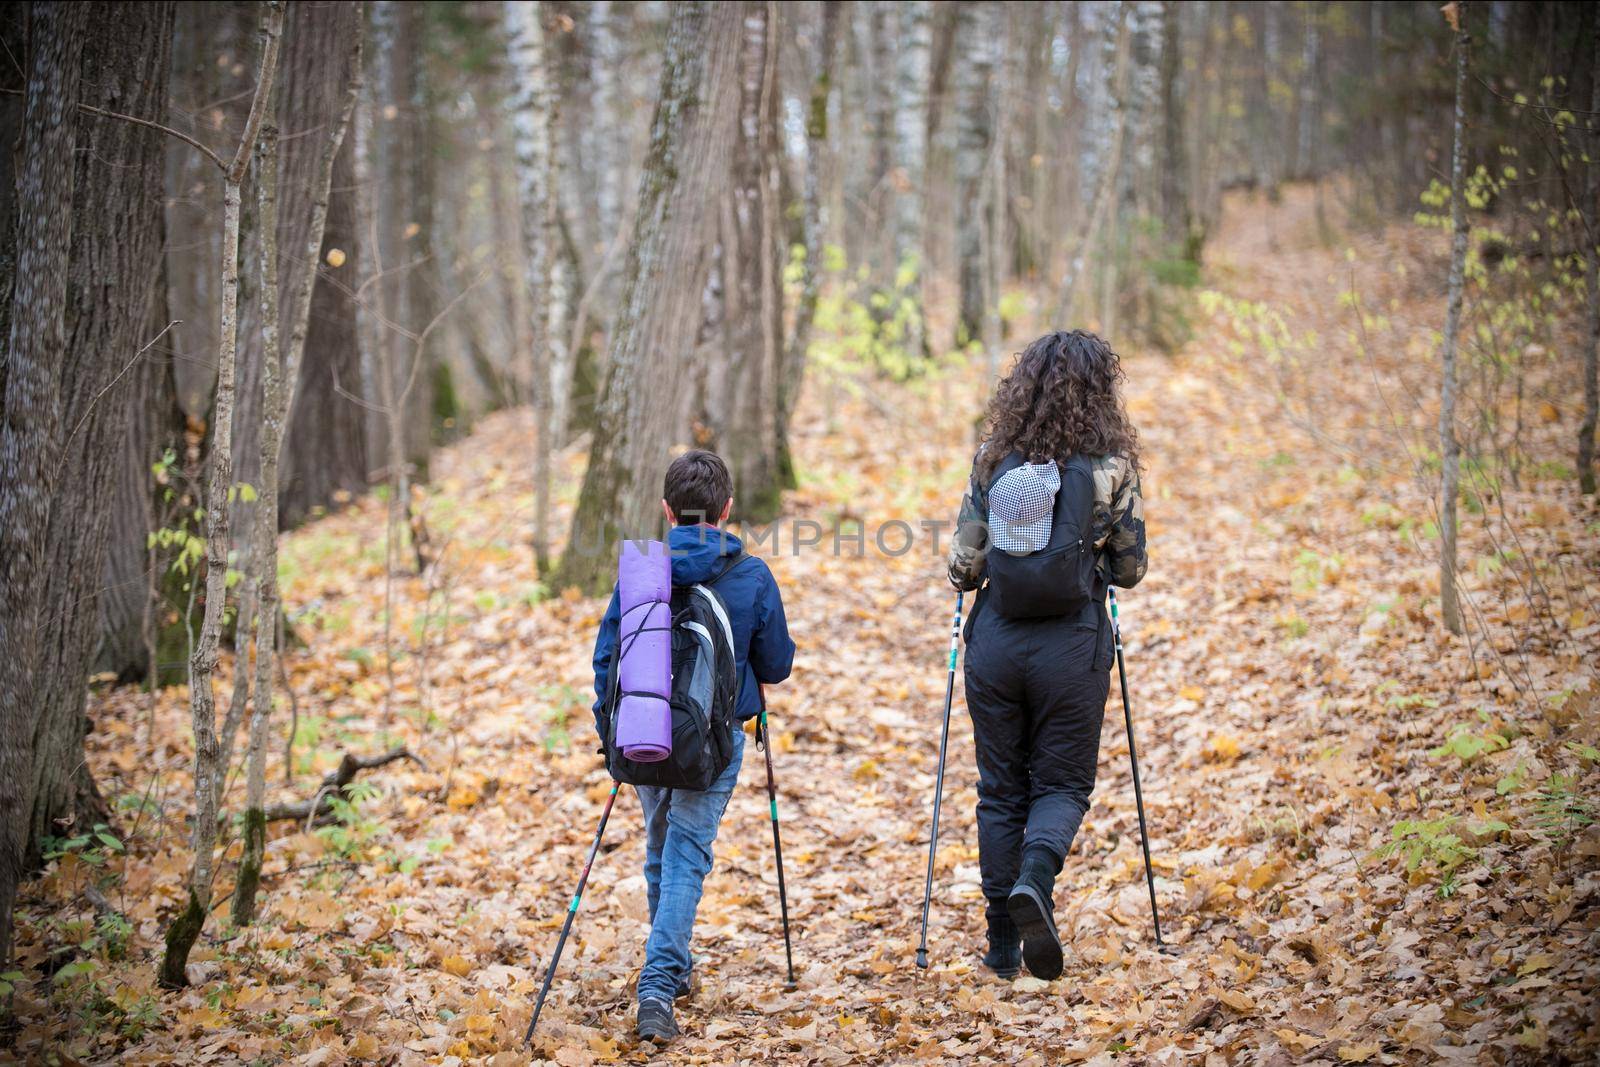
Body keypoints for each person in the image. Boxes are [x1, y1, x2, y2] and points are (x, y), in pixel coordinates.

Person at [945, 330, 1147, 982]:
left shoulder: (991, 461)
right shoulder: (1112, 467)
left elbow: (964, 565)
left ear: (1022, 388)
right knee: (1060, 783)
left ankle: (1002, 945)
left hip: (997, 641)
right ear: (1099, 391)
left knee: (1000, 788)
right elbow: (1130, 567)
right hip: (1072, 645)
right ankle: (1036, 877)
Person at [590, 449, 795, 1043]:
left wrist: (610, 734)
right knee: (686, 852)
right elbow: (776, 665)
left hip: (645, 731)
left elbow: (607, 660)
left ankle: (669, 968)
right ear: (727, 509)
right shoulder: (750, 574)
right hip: (715, 739)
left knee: (661, 844)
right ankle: (658, 983)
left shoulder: (641, 571)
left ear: (666, 510)